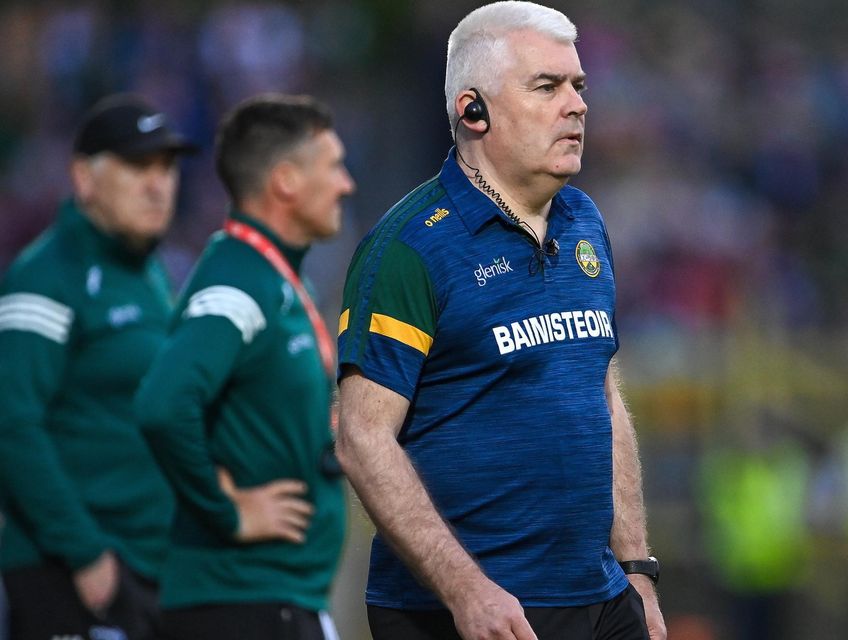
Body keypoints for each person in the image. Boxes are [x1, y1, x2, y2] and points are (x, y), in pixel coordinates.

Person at [335, 3, 667, 639]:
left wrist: (637, 570)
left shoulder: (583, 222)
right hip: (469, 614)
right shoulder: (409, 249)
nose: (577, 105)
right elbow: (361, 439)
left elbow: (601, 393)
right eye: (547, 86)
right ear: (473, 111)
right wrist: (468, 593)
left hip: (599, 596)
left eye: (578, 86)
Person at [135, 93, 354, 640]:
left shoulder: (277, 278)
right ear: (286, 181)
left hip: (275, 599)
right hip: (241, 602)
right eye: (333, 166)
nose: (346, 184)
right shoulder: (237, 282)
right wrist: (228, 511)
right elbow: (163, 404)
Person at [0, 93, 196, 640]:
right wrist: (84, 554)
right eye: (137, 166)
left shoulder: (155, 276)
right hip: (72, 573)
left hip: (148, 570)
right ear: (84, 178)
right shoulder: (45, 274)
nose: (159, 184)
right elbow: (11, 423)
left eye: (167, 167)